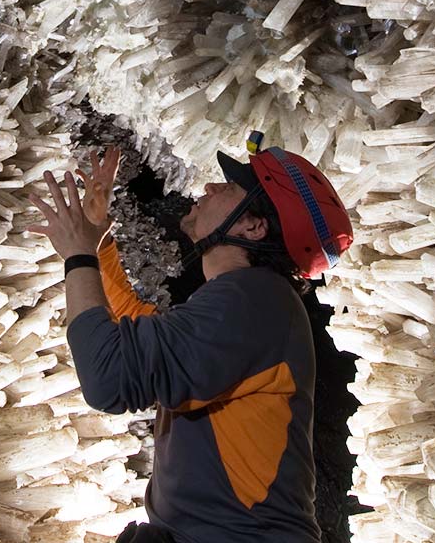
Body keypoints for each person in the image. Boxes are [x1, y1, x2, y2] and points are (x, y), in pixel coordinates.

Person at [31, 134, 354, 543]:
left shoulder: (254, 300)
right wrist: (97, 243)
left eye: (231, 187)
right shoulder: (253, 303)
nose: (210, 187)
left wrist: (78, 255)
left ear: (253, 226)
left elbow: (110, 376)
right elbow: (137, 329)